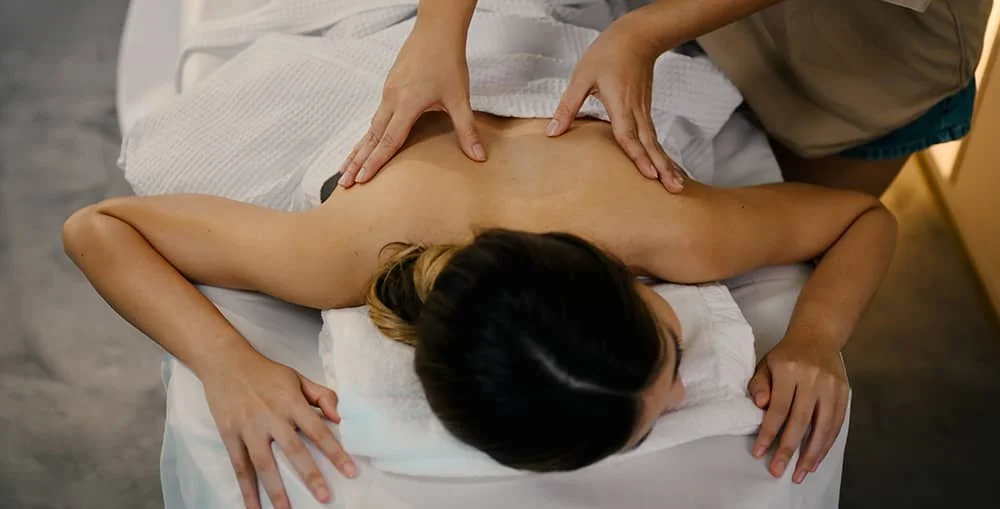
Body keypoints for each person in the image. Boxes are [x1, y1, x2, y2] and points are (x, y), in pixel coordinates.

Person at [65, 107, 895, 509]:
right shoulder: (341, 251)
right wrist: (226, 364)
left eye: (666, 367)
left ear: (635, 283)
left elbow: (866, 215)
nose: (682, 395)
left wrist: (818, 334)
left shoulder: (681, 231)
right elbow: (97, 229)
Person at [340, 0, 991, 197]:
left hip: (859, 57)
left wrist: (647, 31)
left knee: (806, 234)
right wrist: (439, 26)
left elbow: (847, 227)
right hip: (699, 31)